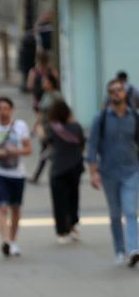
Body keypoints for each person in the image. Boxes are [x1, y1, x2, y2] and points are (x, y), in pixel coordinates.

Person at [86, 78, 139, 267]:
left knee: (131, 211)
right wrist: (93, 172)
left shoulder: (134, 116)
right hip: (108, 172)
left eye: (119, 90)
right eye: (112, 91)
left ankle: (134, 248)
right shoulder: (100, 119)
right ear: (109, 95)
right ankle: (119, 250)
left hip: (131, 170)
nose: (116, 93)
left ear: (125, 93)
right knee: (115, 214)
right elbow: (92, 147)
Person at [0, 97, 32, 258]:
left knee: (16, 208)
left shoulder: (20, 126)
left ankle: (14, 240)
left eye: (6, 108)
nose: (4, 112)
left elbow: (28, 149)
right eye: (0, 108)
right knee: (3, 207)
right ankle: (6, 240)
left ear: (11, 110)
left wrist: (15, 151)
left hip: (17, 173)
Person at [45, 99, 85, 244]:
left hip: (58, 169)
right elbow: (81, 144)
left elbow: (47, 143)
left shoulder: (52, 128)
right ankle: (73, 225)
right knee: (73, 197)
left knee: (58, 201)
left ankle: (62, 230)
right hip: (75, 167)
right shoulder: (76, 127)